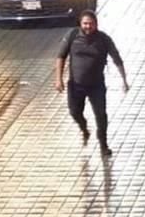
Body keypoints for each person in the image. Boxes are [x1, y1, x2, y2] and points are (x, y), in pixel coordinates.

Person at [55, 10, 129, 157]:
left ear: (96, 24)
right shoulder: (72, 36)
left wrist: (124, 80)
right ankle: (84, 128)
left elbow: (117, 58)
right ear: (81, 24)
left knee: (101, 115)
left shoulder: (104, 39)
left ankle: (103, 144)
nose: (88, 26)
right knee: (74, 112)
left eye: (91, 23)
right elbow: (60, 57)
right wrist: (58, 79)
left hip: (96, 86)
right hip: (76, 85)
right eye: (85, 23)